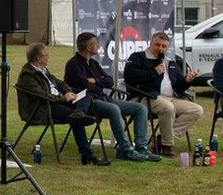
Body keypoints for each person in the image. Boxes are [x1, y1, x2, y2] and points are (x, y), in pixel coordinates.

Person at [16, 42, 141, 165]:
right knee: (76, 118)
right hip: (44, 108)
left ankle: (80, 112)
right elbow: (44, 96)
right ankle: (87, 155)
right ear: (39, 58)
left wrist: (68, 91)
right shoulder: (27, 76)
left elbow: (60, 83)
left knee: (84, 95)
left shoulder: (43, 70)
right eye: (47, 55)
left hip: (57, 102)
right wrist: (64, 98)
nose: (49, 57)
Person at [65, 32, 157, 160]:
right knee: (113, 109)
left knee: (140, 108)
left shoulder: (93, 63)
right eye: (96, 43)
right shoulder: (73, 65)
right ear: (88, 47)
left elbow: (109, 81)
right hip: (89, 102)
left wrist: (95, 80)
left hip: (104, 98)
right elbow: (84, 85)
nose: (98, 46)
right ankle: (125, 149)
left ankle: (141, 147)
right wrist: (97, 82)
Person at [123, 31, 204, 157]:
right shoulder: (138, 57)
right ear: (150, 44)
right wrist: (153, 72)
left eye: (164, 46)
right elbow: (129, 76)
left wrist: (187, 80)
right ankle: (167, 146)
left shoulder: (170, 62)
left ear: (167, 48)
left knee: (196, 110)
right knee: (167, 107)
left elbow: (178, 86)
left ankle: (161, 140)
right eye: (157, 45)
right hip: (147, 97)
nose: (160, 48)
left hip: (171, 98)